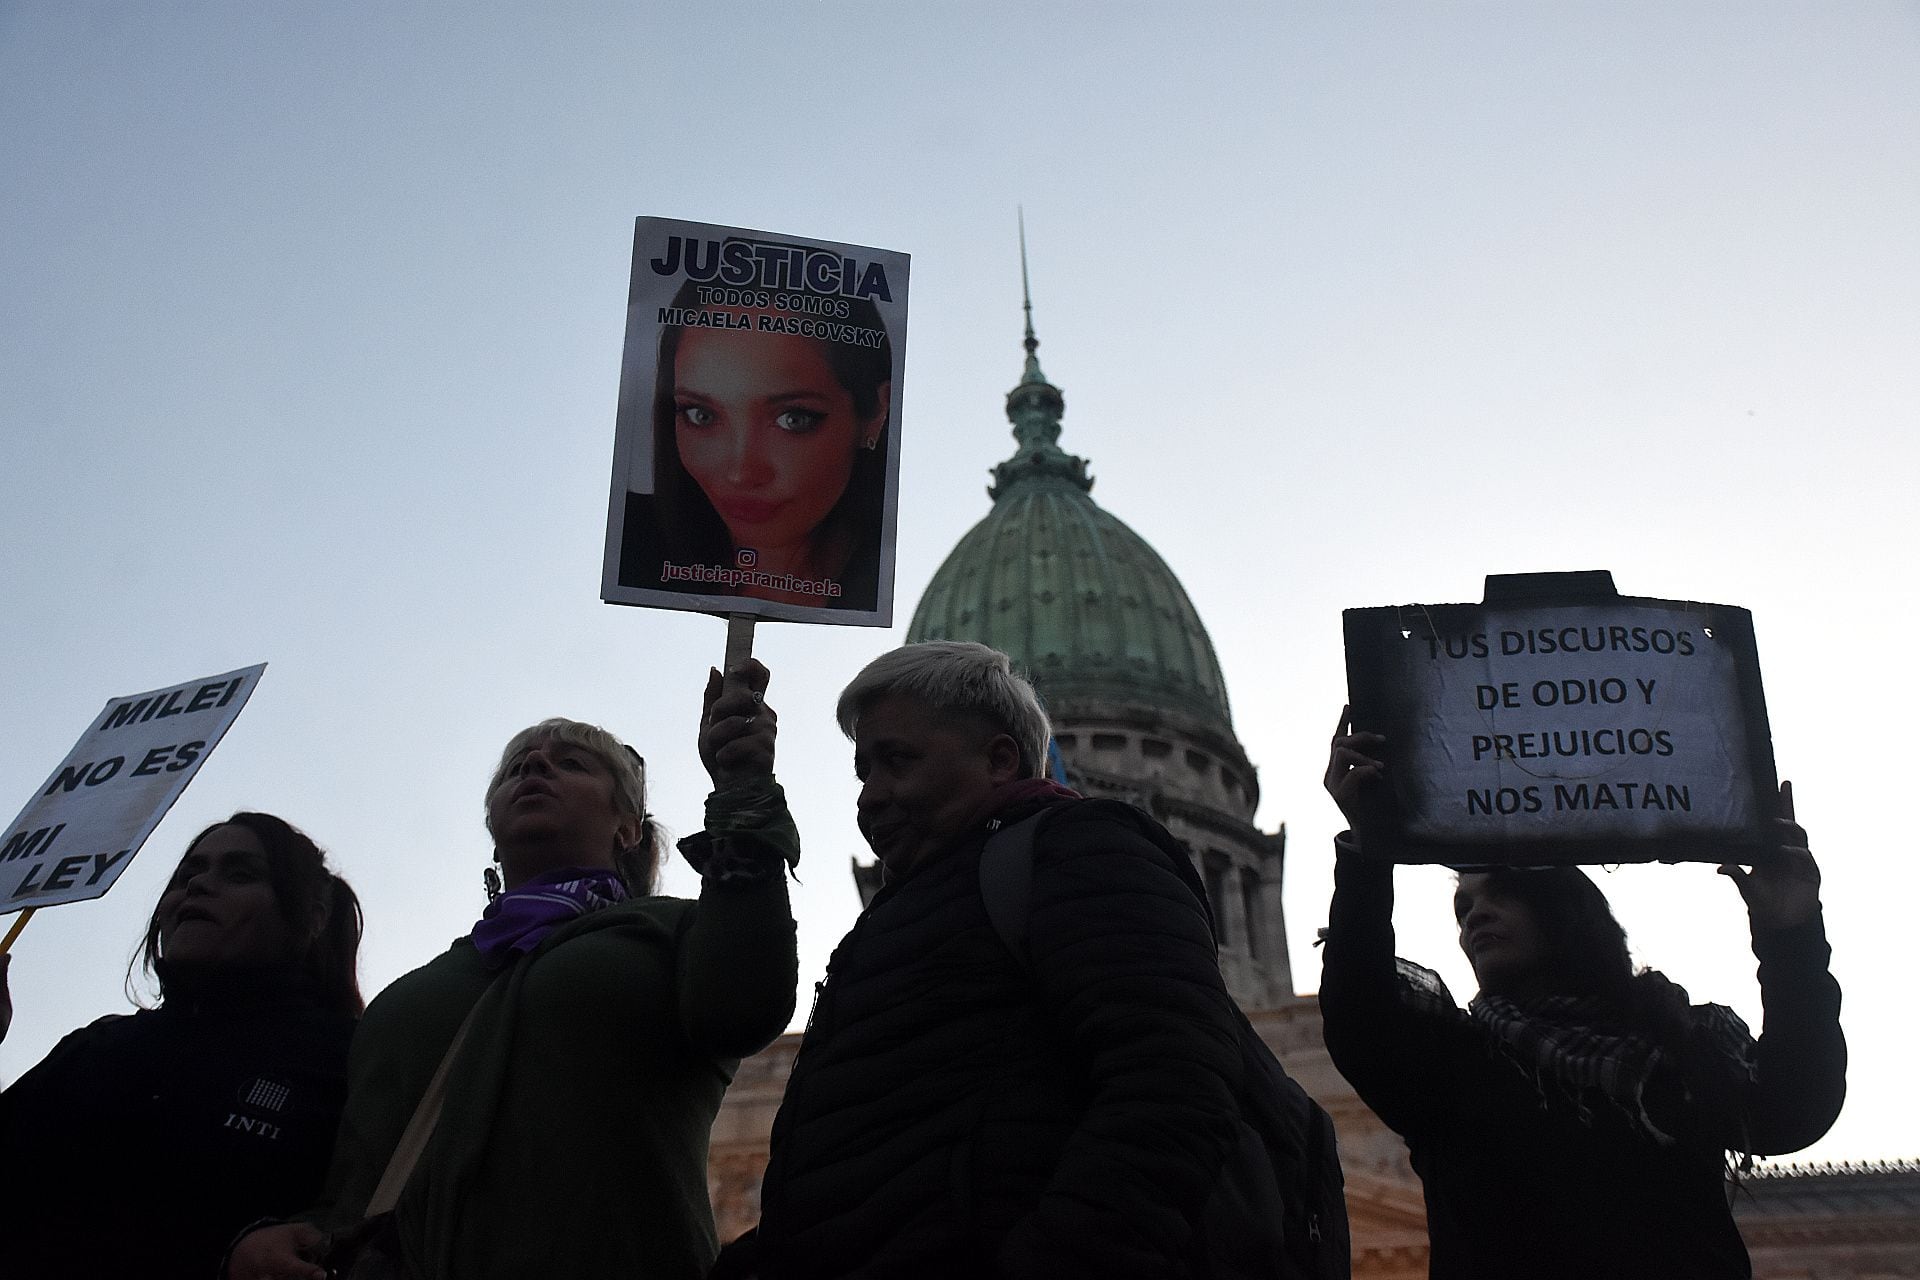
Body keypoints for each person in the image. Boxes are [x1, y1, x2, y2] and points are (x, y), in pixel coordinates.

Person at [230, 661, 799, 1280]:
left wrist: (743, 788)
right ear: (492, 826)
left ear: (629, 827)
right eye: (516, 766)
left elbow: (745, 1004)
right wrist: (266, 1243)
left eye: (572, 764)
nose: (534, 768)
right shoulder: (411, 996)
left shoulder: (673, 932)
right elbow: (352, 1185)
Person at [715, 640, 1251, 1279]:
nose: (869, 797)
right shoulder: (891, 932)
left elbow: (1173, 1089)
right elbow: (857, 1190)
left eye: (898, 760)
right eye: (864, 772)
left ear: (1002, 759)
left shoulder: (1081, 854)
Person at [1319, 709, 1846, 1280]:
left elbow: (1796, 1104)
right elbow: (1359, 1013)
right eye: (1463, 908)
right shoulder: (1457, 1064)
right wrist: (1368, 850)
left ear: (1564, 914)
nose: (1475, 917)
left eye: (1501, 895)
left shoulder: (1680, 1050)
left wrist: (1791, 934)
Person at [0, 812, 363, 1280]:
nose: (199, 886)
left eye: (239, 874)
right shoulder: (97, 1048)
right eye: (189, 874)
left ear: (313, 916)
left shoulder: (348, 1059)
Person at [619, 278, 893, 611]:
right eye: (700, 415)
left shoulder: (875, 580)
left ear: (876, 412)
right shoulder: (631, 542)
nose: (740, 472)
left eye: (793, 419)